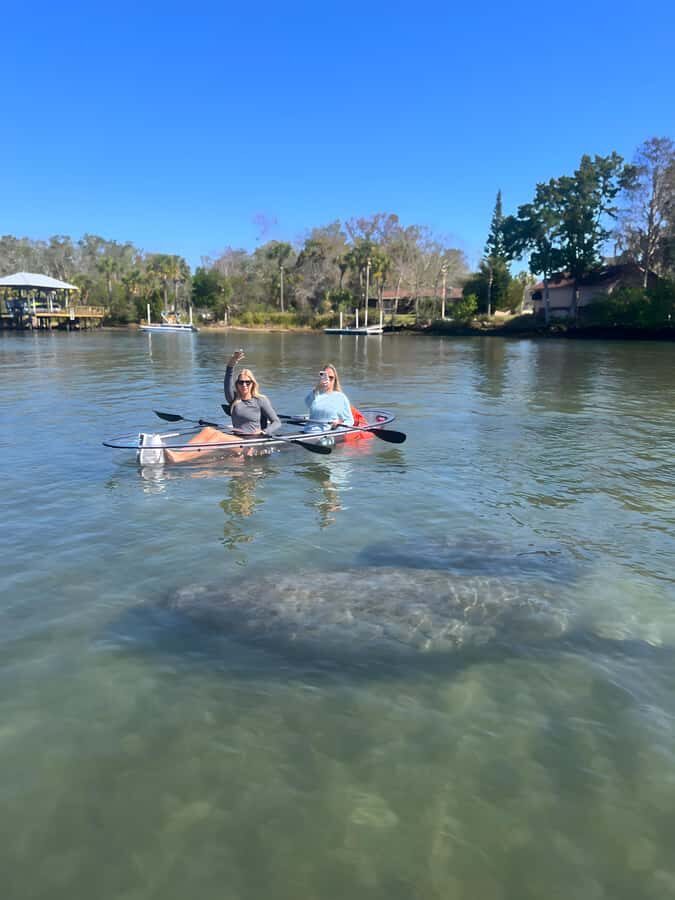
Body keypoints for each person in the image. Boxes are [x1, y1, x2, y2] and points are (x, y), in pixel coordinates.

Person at [165, 350, 280, 463]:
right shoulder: (234, 399)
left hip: (252, 444)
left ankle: (179, 458)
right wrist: (231, 364)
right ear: (237, 384)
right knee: (208, 430)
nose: (244, 385)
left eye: (247, 382)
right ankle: (179, 453)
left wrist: (264, 431)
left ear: (252, 384)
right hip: (237, 439)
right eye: (241, 382)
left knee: (217, 436)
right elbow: (227, 382)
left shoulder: (261, 400)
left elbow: (276, 422)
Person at [304, 363, 354, 432]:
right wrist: (318, 387)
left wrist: (338, 426)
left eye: (331, 377)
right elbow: (307, 402)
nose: (328, 379)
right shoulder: (316, 393)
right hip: (308, 431)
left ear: (335, 380)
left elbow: (350, 421)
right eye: (325, 376)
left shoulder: (340, 397)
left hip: (326, 435)